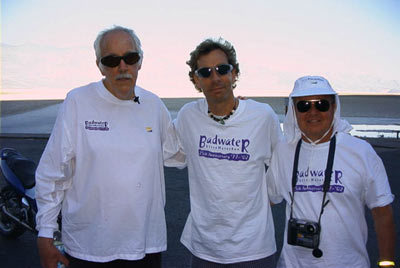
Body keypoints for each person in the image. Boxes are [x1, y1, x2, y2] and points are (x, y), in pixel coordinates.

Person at [35, 25, 178, 268]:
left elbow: (179, 152)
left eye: (130, 58)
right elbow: (53, 172)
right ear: (99, 65)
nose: (122, 67)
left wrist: (222, 114)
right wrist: (45, 233)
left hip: (144, 246)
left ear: (140, 61)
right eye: (111, 60)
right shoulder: (78, 102)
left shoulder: (153, 105)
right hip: (89, 248)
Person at [170, 38, 283, 267]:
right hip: (204, 248)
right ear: (196, 80)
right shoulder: (188, 117)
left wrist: (262, 202)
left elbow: (281, 167)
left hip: (254, 249)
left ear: (234, 73)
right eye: (206, 72)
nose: (215, 78)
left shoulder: (262, 116)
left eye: (222, 69)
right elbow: (166, 149)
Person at [266, 76, 396, 268]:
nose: (313, 112)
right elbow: (266, 199)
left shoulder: (361, 152)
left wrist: (387, 261)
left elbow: (382, 211)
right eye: (304, 106)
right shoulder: (283, 152)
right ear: (293, 111)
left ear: (334, 107)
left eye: (321, 104)